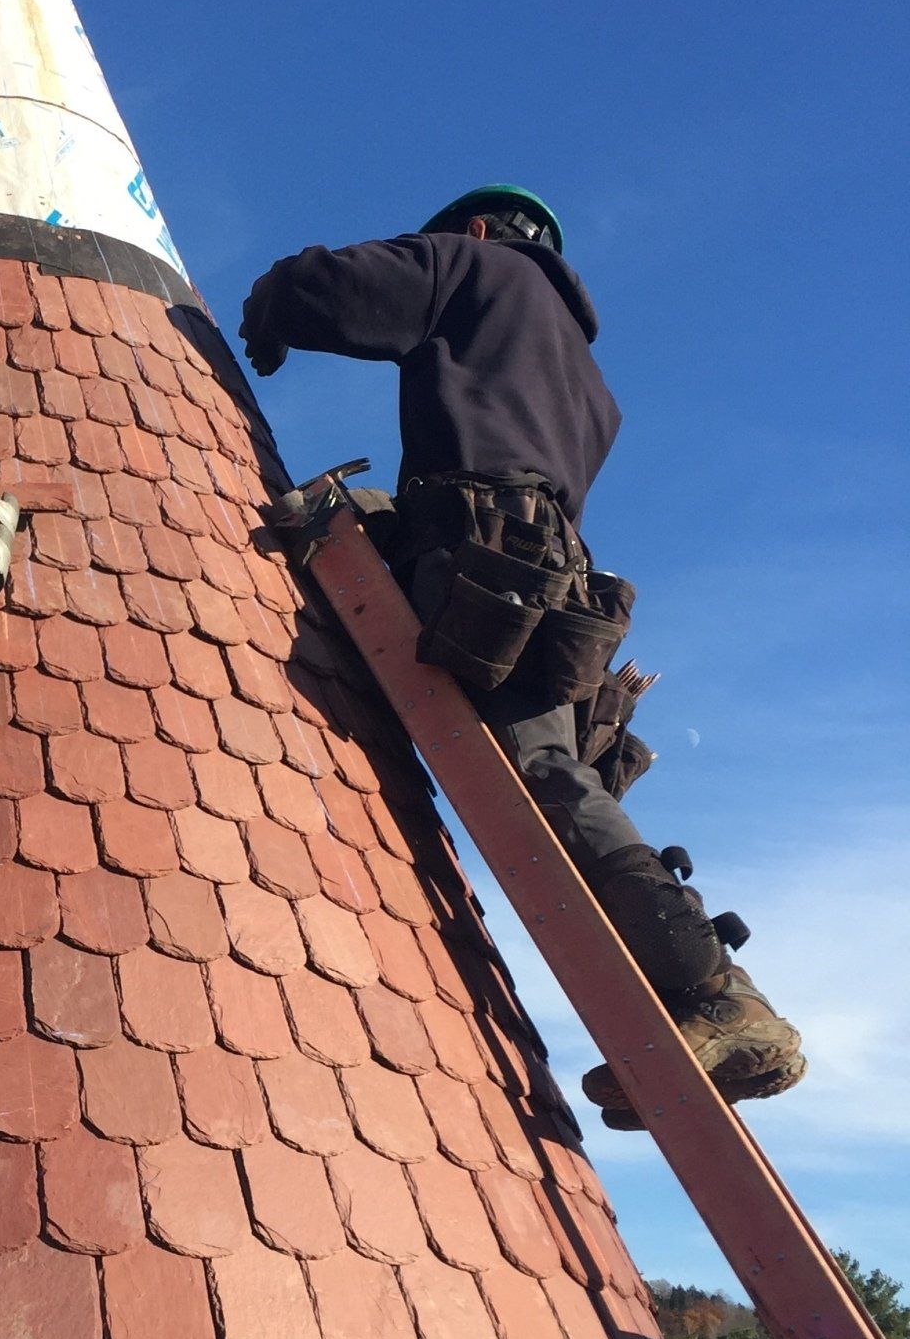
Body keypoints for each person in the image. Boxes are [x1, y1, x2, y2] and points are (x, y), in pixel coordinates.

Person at [240, 186, 804, 1127]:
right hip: (553, 578)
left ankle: (716, 995)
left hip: (487, 561)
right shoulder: (586, 378)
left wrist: (268, 308)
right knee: (556, 773)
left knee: (543, 780)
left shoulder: (476, 266)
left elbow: (329, 290)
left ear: (471, 231)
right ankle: (695, 998)